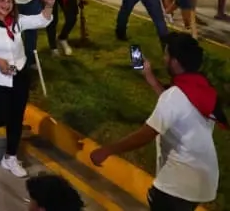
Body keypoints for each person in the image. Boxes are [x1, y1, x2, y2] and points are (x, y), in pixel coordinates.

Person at [89, 33, 221, 211]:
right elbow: (178, 106)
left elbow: (145, 135)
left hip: (177, 183)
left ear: (174, 61)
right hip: (202, 178)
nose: (163, 58)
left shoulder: (174, 97)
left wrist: (107, 150)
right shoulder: (201, 88)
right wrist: (149, 76)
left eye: (166, 55)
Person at [0, 0, 56, 178]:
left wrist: (49, 6)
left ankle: (10, 157)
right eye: (2, 0)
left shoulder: (17, 21)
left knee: (16, 118)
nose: (6, 5)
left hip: (19, 75)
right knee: (1, 115)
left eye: (9, 1)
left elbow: (42, 20)